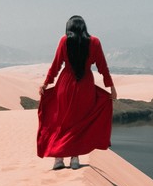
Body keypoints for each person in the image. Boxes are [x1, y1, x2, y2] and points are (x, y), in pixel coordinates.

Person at [37, 15, 117, 170]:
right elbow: (103, 67)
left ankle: (58, 159)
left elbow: (56, 65)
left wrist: (46, 83)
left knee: (61, 121)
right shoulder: (94, 42)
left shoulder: (64, 41)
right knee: (78, 123)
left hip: (65, 85)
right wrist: (111, 87)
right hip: (85, 86)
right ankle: (74, 158)